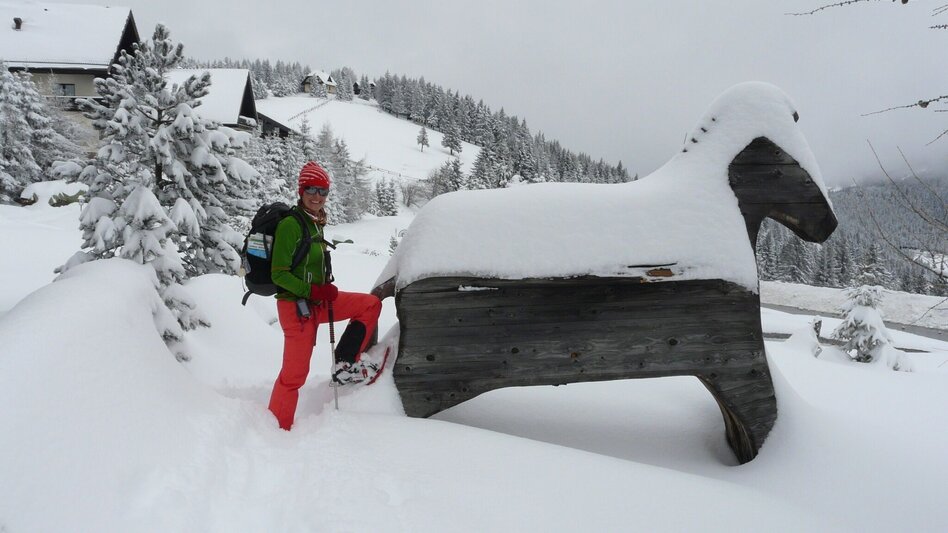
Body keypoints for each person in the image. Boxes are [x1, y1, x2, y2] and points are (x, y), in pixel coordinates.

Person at [267, 161, 382, 430]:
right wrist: (313, 290)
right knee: (294, 375)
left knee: (370, 304)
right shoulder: (290, 225)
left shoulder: (316, 222)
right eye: (311, 189)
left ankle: (345, 364)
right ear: (301, 190)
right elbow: (279, 274)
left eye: (323, 190)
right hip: (295, 308)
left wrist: (322, 289)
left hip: (318, 302)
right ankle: (276, 428)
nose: (317, 196)